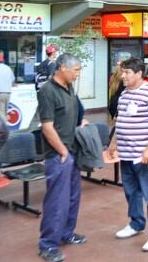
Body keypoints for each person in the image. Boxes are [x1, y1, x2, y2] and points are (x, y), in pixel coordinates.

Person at [107, 57, 148, 252]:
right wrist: (113, 143)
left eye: (126, 73)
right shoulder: (124, 94)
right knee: (131, 192)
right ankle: (136, 223)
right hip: (125, 154)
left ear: (139, 73)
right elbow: (120, 120)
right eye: (122, 72)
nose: (122, 76)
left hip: (143, 156)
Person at [37, 54, 89, 262]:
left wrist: (82, 120)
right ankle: (48, 245)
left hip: (73, 151)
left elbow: (74, 113)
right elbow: (47, 127)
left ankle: (67, 233)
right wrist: (63, 152)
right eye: (75, 69)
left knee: (72, 198)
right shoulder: (47, 91)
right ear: (62, 68)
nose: (78, 73)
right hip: (58, 155)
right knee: (56, 201)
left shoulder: (69, 88)